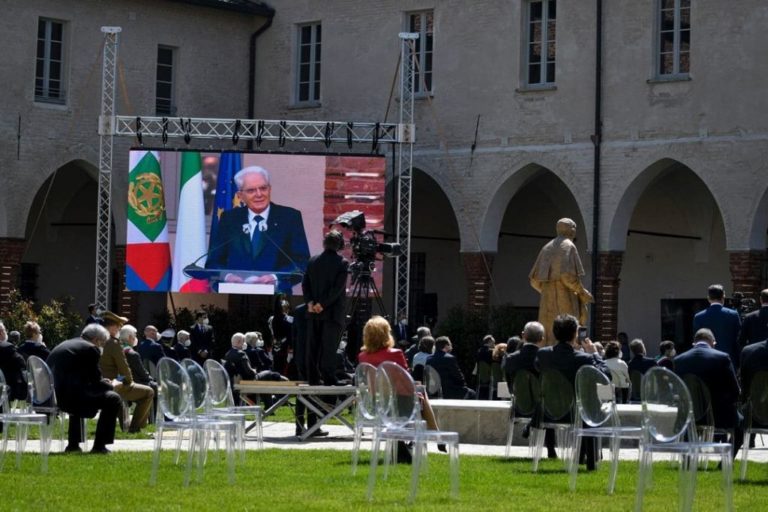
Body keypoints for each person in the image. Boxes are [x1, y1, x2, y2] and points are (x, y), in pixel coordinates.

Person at [205, 166, 310, 293]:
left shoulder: (290, 217)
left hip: (277, 296)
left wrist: (275, 277)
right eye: (251, 190)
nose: (259, 194)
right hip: (235, 295)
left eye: (263, 188)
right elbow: (213, 262)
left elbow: (302, 262)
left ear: (270, 189)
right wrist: (228, 276)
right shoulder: (229, 219)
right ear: (240, 195)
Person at [357, 316, 442, 460]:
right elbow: (406, 380)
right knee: (421, 391)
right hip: (401, 405)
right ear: (386, 334)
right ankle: (436, 434)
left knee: (419, 392)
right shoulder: (395, 353)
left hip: (376, 405)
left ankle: (404, 445)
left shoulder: (362, 356)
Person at [535, 314, 609, 470]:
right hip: (577, 414)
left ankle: (581, 456)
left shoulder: (543, 355)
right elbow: (605, 376)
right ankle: (590, 460)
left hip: (548, 411)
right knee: (591, 403)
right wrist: (595, 354)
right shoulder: (584, 358)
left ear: (554, 333)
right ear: (576, 333)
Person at [47, 324, 122, 454]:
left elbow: (83, 377)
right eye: (102, 343)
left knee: (80, 392)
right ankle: (100, 445)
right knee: (113, 398)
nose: (102, 347)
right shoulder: (90, 348)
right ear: (97, 340)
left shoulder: (67, 344)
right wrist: (111, 385)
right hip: (69, 397)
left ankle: (73, 444)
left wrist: (100, 382)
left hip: (54, 394)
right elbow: (95, 382)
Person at [674, 328, 744, 457]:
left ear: (694, 343)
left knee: (690, 426)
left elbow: (677, 391)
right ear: (713, 343)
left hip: (689, 416)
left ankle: (687, 460)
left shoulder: (679, 360)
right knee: (741, 426)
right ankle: (725, 463)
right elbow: (735, 390)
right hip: (719, 416)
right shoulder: (722, 358)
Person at [529, 218, 594, 345]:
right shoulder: (569, 246)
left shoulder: (546, 247)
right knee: (567, 330)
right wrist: (582, 292)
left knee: (547, 334)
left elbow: (534, 280)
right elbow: (567, 277)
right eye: (574, 228)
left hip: (546, 299)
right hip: (565, 296)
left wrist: (546, 291)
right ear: (571, 230)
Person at [302, 230, 349, 385]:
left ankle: (313, 378)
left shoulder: (312, 260)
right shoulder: (342, 263)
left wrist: (310, 302)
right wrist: (322, 304)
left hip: (312, 312)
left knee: (312, 348)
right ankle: (329, 378)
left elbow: (305, 284)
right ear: (340, 245)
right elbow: (337, 289)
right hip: (332, 314)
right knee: (329, 348)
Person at [503, 321, 556, 458]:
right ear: (542, 338)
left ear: (523, 336)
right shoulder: (547, 358)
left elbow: (510, 385)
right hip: (545, 410)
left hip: (520, 406)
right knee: (545, 401)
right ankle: (551, 449)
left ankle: (532, 423)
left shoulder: (511, 359)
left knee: (542, 401)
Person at [100, 311, 154, 434]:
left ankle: (126, 425)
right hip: (114, 383)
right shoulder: (113, 343)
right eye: (119, 327)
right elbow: (124, 367)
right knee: (148, 392)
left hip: (100, 382)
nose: (119, 329)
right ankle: (135, 428)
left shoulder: (98, 340)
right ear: (112, 327)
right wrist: (130, 382)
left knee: (125, 394)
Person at [224, 333, 287, 405]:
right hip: (248, 381)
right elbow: (249, 372)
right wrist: (254, 371)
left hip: (236, 383)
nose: (245, 343)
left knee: (266, 377)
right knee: (268, 373)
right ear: (238, 342)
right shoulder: (241, 354)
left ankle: (269, 404)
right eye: (243, 341)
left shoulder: (228, 354)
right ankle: (280, 384)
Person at [693, 284, 741, 367]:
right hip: (729, 360)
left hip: (706, 361)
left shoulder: (699, 317)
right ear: (723, 297)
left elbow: (697, 340)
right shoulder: (733, 315)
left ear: (708, 298)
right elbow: (739, 339)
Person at [119, 324, 158, 419]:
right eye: (135, 336)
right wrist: (151, 379)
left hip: (121, 381)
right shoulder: (132, 354)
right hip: (134, 382)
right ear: (129, 337)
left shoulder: (118, 350)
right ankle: (153, 419)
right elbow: (143, 373)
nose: (136, 338)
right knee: (156, 387)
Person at [0, 322, 27, 407]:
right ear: (1, 332)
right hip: (7, 388)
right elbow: (22, 363)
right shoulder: (7, 347)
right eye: (5, 330)